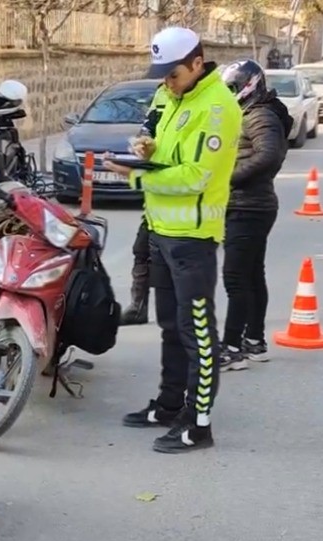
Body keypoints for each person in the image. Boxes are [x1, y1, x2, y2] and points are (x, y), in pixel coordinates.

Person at [103, 27, 243, 454]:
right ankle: (168, 405)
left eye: (174, 73)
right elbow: (159, 142)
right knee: (169, 326)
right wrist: (143, 148)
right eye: (162, 74)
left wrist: (138, 174)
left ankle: (198, 425)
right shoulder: (170, 96)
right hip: (160, 230)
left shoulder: (219, 108)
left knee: (196, 331)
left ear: (198, 64)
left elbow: (197, 175)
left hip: (193, 238)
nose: (166, 81)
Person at [217, 59, 292, 372]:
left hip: (249, 206)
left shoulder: (260, 114)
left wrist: (227, 178)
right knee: (251, 274)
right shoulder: (250, 112)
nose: (231, 92)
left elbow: (268, 155)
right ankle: (255, 341)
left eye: (234, 87)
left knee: (235, 277)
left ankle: (233, 347)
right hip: (250, 204)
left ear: (251, 84)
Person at [121, 82, 170, 326]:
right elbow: (148, 126)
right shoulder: (163, 92)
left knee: (173, 263)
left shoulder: (202, 104)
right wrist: (142, 143)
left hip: (181, 195)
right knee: (141, 250)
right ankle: (138, 307)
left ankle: (180, 318)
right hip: (157, 195)